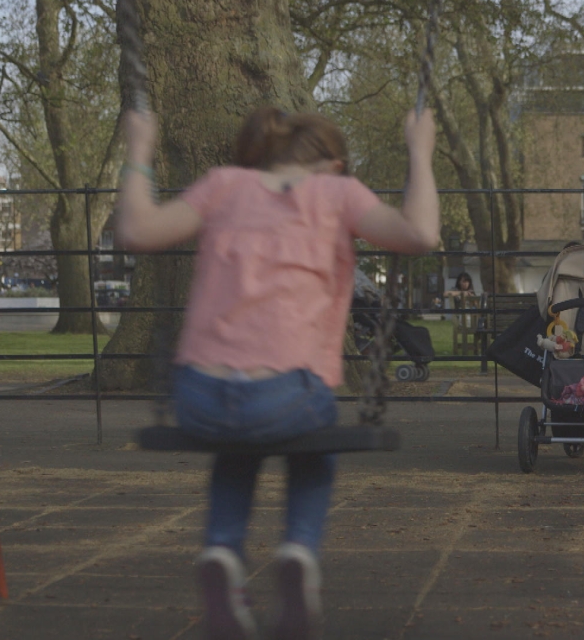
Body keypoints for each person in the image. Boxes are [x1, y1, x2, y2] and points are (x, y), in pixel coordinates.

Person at [117, 105, 439, 640]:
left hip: (200, 392)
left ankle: (221, 551)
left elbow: (136, 232)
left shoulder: (222, 185)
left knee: (234, 446)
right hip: (287, 392)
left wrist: (138, 151)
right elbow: (420, 234)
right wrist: (419, 151)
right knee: (313, 444)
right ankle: (298, 550)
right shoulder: (339, 195)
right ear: (334, 164)